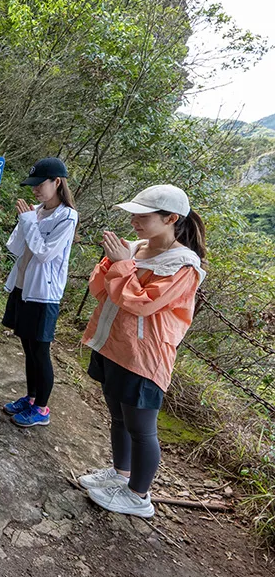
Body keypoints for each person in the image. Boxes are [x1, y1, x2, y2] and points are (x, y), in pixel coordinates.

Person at [77, 184, 206, 518]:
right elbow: (99, 291)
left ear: (171, 219)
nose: (134, 222)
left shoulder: (183, 265)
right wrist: (111, 263)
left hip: (144, 357)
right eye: (132, 214)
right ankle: (120, 473)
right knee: (118, 416)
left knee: (141, 428)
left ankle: (139, 496)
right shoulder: (133, 249)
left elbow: (143, 304)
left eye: (142, 216)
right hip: (113, 344)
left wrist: (121, 266)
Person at [1, 157, 78, 427]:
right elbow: (14, 245)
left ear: (57, 182)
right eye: (32, 185)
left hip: (44, 293)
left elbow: (45, 254)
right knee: (27, 345)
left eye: (40, 184)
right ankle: (31, 397)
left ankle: (42, 409)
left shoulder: (67, 216)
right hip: (23, 287)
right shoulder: (35, 211)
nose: (35, 190)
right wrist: (26, 221)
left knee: (40, 350)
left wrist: (29, 222)